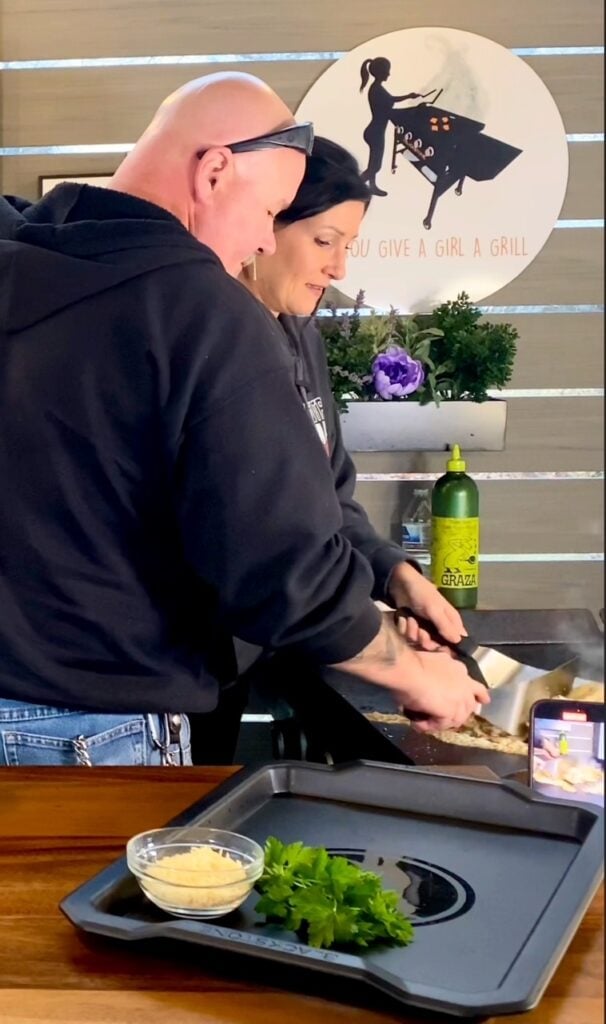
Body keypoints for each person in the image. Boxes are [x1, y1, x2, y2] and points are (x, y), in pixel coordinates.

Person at [0, 73, 489, 767]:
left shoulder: (24, 259)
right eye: (270, 211)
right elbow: (280, 560)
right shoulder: (201, 306)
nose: (264, 240)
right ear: (214, 171)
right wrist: (412, 672)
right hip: (92, 728)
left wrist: (387, 574)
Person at [232, 136, 471, 759]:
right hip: (195, 654)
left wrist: (396, 577)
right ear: (264, 225)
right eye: (324, 240)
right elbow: (267, 536)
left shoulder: (301, 334)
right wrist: (396, 661)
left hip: (256, 652)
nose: (339, 268)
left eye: (349, 246)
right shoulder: (222, 344)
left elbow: (328, 498)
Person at [359, 56, 421, 196]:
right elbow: (389, 111)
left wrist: (409, 96)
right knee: (375, 166)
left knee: (373, 163)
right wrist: (412, 111)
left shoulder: (378, 88)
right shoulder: (377, 90)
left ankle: (372, 186)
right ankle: (352, 187)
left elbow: (391, 99)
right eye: (387, 71)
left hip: (375, 131)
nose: (389, 74)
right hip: (375, 132)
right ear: (381, 72)